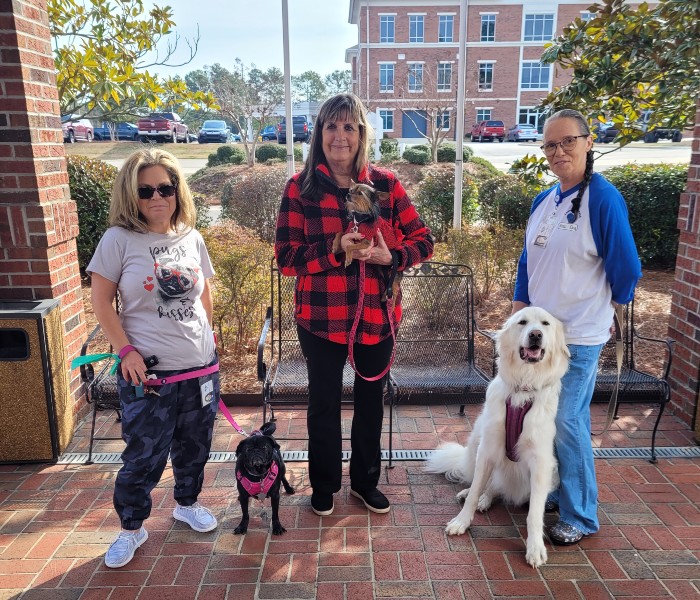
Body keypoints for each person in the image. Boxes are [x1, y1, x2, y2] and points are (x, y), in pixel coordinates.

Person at [275, 93, 434, 516]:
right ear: (319, 134)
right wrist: (335, 250)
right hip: (321, 320)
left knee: (370, 404)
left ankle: (365, 482)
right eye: (331, 126)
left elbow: (425, 241)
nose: (340, 136)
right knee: (323, 404)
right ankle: (324, 486)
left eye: (349, 127)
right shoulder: (300, 188)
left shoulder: (385, 184)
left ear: (361, 134)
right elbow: (286, 259)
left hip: (375, 319)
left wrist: (391, 257)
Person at [512, 109, 642, 544]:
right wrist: (519, 306)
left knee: (567, 419)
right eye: (550, 144)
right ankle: (558, 491)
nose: (558, 151)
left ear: (589, 142)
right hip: (539, 336)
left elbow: (626, 268)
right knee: (543, 418)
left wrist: (609, 310)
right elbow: (528, 259)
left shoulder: (604, 199)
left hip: (578, 338)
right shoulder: (545, 200)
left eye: (567, 141)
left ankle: (581, 515)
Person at [87, 147, 220, 568]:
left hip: (199, 370)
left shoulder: (192, 237)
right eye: (146, 191)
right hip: (149, 375)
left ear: (178, 191)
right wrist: (125, 350)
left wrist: (209, 345)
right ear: (131, 195)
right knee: (143, 456)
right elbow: (102, 303)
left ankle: (186, 503)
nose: (157, 197)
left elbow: (205, 297)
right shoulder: (118, 240)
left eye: (166, 187)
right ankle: (132, 527)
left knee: (195, 447)